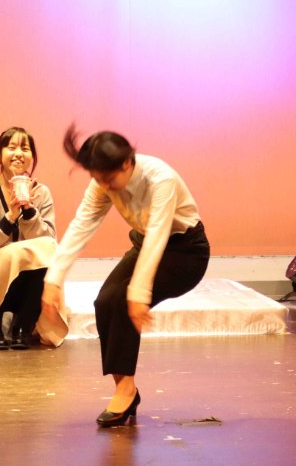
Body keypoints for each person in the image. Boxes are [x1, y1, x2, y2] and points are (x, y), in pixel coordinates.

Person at [41, 126, 209, 427]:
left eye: (108, 179)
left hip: (186, 253)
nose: (103, 185)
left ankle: (125, 390)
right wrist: (53, 280)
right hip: (146, 245)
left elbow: (158, 233)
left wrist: (138, 293)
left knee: (122, 298)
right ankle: (126, 389)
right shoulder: (101, 183)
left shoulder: (160, 178)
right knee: (106, 301)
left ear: (127, 163)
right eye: (97, 179)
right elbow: (82, 224)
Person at [0, 126, 61, 349]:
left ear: (32, 157)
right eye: (12, 147)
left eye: (25, 149)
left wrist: (28, 210)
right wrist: (10, 216)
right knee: (10, 254)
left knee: (47, 255)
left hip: (26, 282)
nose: (18, 153)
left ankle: (23, 325)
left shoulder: (42, 193)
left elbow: (48, 244)